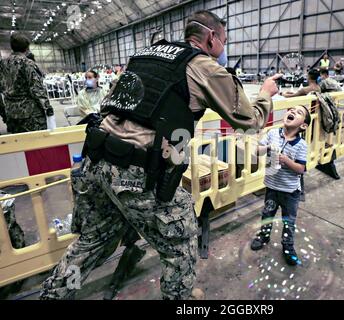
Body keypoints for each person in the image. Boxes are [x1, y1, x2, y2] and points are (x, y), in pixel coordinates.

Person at [40, 10, 281, 301]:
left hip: (96, 159)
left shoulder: (144, 56)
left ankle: (52, 295)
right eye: (225, 41)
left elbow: (111, 105)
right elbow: (249, 120)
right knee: (180, 245)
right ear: (212, 38)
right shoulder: (203, 66)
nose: (224, 48)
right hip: (135, 173)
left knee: (92, 242)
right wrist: (266, 93)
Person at [250, 106, 311, 265]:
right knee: (267, 214)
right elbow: (257, 151)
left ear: (303, 126)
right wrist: (268, 148)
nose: (292, 112)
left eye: (299, 113)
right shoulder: (272, 134)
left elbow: (301, 169)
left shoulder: (301, 145)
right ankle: (263, 236)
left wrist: (287, 161)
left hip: (290, 192)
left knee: (288, 221)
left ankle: (288, 246)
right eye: (291, 110)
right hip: (271, 188)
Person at [0, 33, 54, 134]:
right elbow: (37, 90)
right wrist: (48, 109)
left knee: (20, 146)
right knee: (37, 146)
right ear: (27, 48)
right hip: (31, 116)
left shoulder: (2, 65)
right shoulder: (27, 63)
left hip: (11, 114)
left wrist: (4, 113)